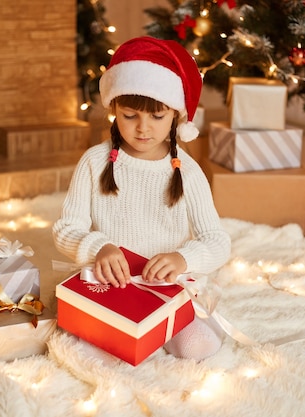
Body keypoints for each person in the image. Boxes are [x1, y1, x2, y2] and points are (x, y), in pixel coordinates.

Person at [53, 36, 231, 361]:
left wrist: (183, 259)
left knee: (199, 348)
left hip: (167, 287)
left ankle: (161, 327)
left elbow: (217, 241)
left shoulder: (187, 172)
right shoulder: (95, 161)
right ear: (114, 110)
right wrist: (99, 248)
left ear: (175, 116)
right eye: (130, 115)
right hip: (111, 285)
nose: (143, 129)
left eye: (157, 117)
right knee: (81, 348)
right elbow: (66, 229)